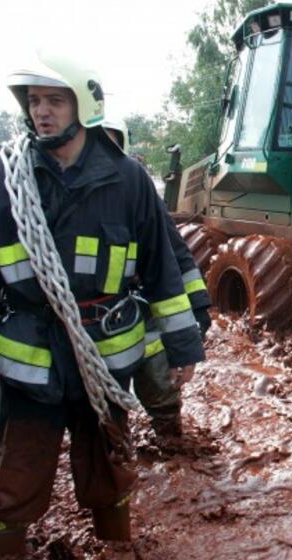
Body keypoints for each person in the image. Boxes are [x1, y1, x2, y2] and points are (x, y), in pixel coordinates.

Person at [0, 50, 205, 555]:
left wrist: (184, 348)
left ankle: (116, 548)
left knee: (110, 476)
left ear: (84, 105)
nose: (42, 112)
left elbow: (164, 269)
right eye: (34, 101)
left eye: (55, 100)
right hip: (29, 369)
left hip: (103, 361)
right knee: (15, 483)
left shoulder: (128, 181)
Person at [102, 117, 212, 439]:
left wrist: (199, 305)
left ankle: (170, 443)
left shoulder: (139, 192)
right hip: (101, 327)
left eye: (111, 144)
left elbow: (175, 255)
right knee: (106, 414)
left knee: (162, 392)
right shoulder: (77, 202)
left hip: (147, 313)